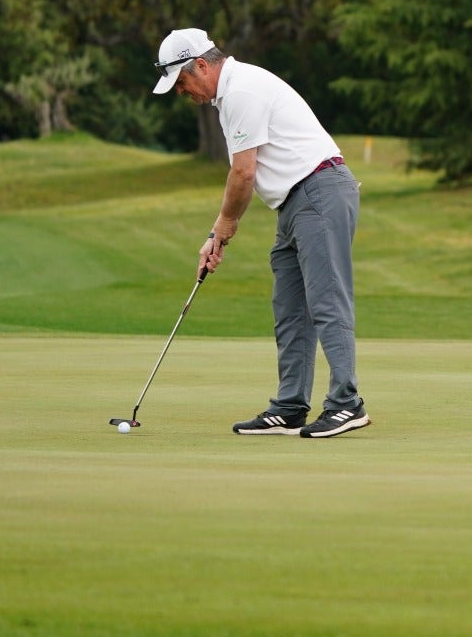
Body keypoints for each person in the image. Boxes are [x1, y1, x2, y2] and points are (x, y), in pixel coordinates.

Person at [152, 27, 370, 439]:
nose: (182, 92)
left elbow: (243, 172)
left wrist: (222, 228)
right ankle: (290, 406)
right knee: (289, 308)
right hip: (294, 202)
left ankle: (347, 403)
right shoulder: (229, 95)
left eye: (181, 81)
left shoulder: (241, 91)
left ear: (201, 65)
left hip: (319, 190)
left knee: (326, 299)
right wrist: (218, 233)